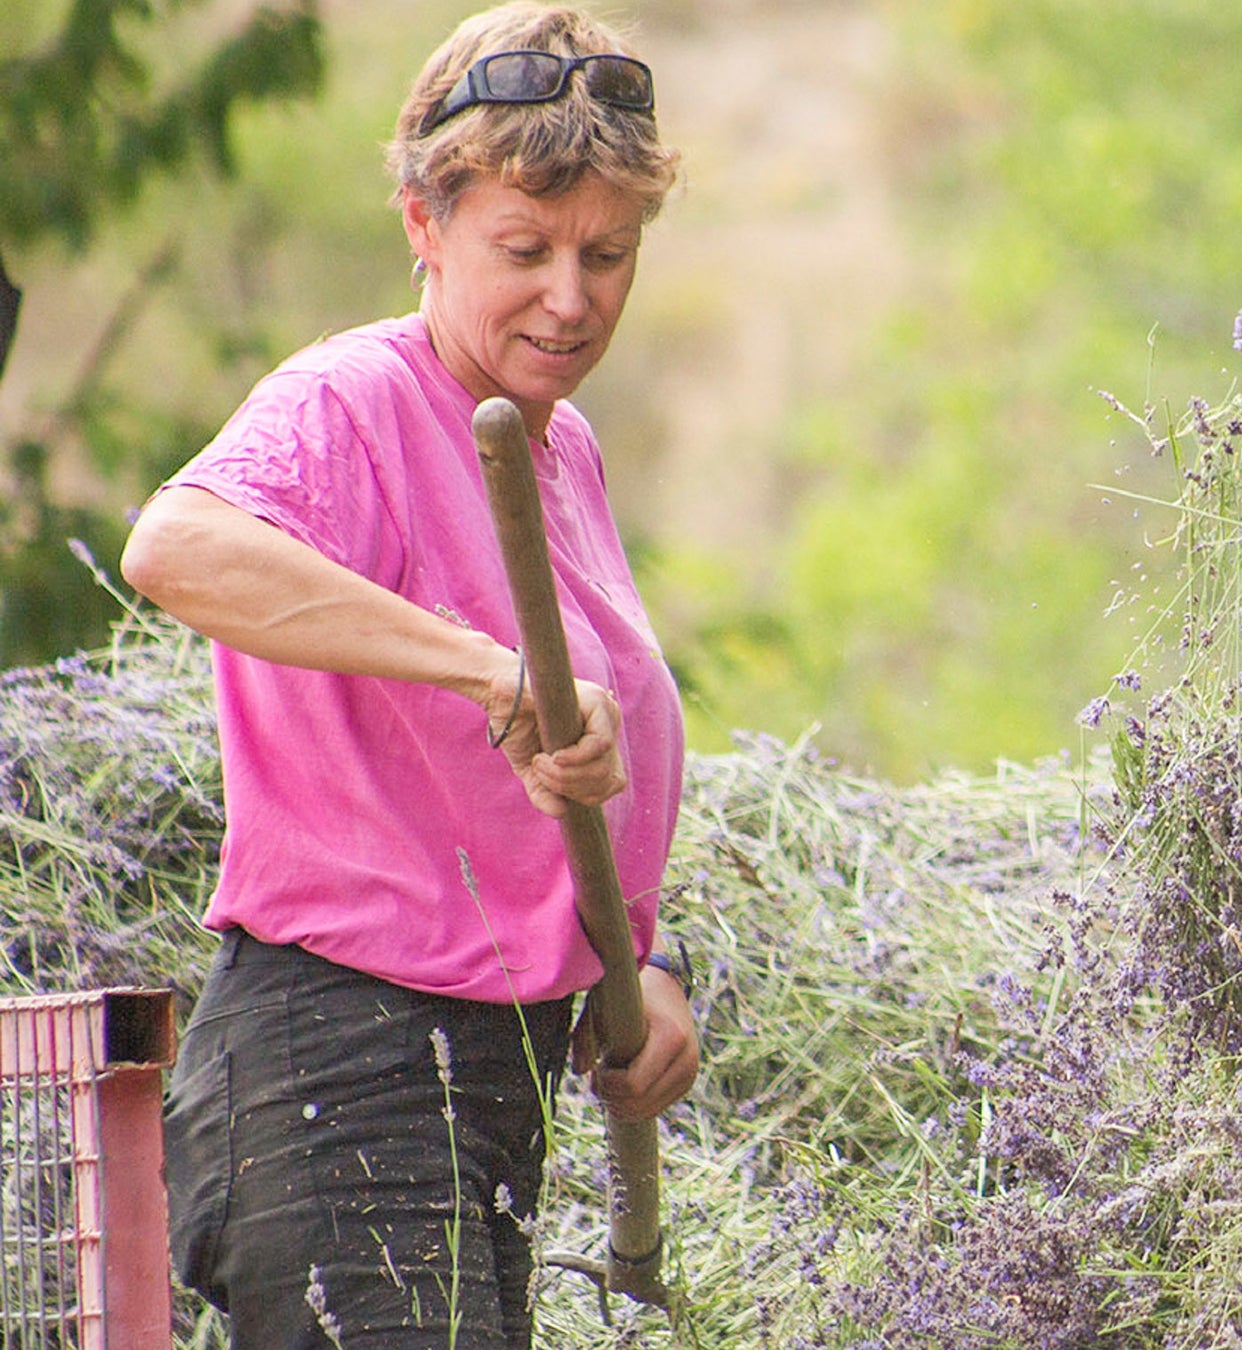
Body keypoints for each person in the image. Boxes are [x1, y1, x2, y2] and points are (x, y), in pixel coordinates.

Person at [120, 4, 697, 1344]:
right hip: (343, 1072)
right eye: (526, 249)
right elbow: (176, 546)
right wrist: (494, 675)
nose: (572, 297)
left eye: (607, 253)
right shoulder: (353, 400)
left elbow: (565, 780)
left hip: (493, 1083)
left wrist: (645, 964)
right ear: (424, 225)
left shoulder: (560, 449)